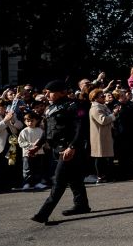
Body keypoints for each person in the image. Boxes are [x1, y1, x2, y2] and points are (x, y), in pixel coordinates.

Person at [31, 80, 92, 223]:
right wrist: (38, 145)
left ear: (61, 92)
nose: (46, 95)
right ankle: (81, 205)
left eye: (50, 92)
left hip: (68, 149)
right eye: (45, 92)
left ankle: (43, 213)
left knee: (58, 181)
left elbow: (81, 128)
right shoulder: (50, 108)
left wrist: (72, 147)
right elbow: (48, 131)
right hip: (56, 148)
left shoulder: (74, 106)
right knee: (75, 179)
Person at [88, 88, 115, 183]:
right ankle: (100, 176)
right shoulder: (95, 108)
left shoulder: (103, 106)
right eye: (102, 96)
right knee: (99, 156)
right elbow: (102, 120)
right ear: (95, 98)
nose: (104, 97)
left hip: (105, 134)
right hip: (99, 135)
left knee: (105, 157)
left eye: (104, 96)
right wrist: (113, 114)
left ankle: (106, 175)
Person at [17, 112, 49, 190]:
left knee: (38, 168)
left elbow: (44, 141)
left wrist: (38, 146)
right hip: (27, 153)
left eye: (32, 121)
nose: (30, 123)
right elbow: (21, 142)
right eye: (28, 121)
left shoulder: (40, 131)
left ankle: (37, 183)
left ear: (36, 121)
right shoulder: (24, 131)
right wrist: (31, 146)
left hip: (39, 153)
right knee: (27, 169)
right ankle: (26, 183)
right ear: (25, 122)